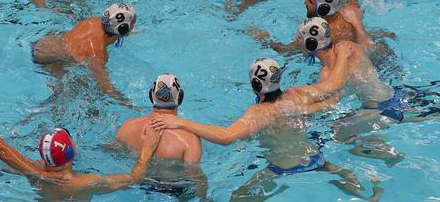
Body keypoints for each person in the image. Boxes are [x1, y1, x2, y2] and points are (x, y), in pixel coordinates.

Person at [151, 52, 382, 201]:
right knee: (337, 172)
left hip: (281, 167)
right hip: (315, 158)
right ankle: (371, 195)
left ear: (253, 84)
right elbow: (334, 87)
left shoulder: (258, 114)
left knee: (235, 198)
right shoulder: (298, 95)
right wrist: (342, 55)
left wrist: (180, 121)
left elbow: (226, 136)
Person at [297, 17, 436, 164]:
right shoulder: (350, 46)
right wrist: (356, 25)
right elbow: (370, 47)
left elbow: (332, 103)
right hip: (396, 94)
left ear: (309, 43)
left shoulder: (328, 73)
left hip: (382, 111)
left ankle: (387, 153)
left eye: (298, 38)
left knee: (337, 134)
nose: (296, 41)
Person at [116, 74, 208, 200]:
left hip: (138, 185)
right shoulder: (189, 139)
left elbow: (113, 152)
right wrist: (204, 197)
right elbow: (196, 177)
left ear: (150, 95)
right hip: (173, 191)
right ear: (180, 97)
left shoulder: (127, 126)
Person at [31, 3, 136, 105]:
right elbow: (106, 88)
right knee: (82, 94)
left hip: (42, 44)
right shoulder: (98, 53)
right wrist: (128, 103)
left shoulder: (92, 21)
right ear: (123, 31)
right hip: (49, 61)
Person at [30, 127, 161, 200]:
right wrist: (147, 151)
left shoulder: (33, 170)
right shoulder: (84, 183)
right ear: (69, 151)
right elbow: (135, 178)